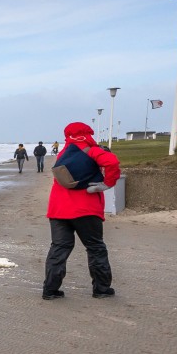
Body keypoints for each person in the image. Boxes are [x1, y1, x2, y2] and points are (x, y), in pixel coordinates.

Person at [43, 122, 120, 300]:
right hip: (85, 209)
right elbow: (112, 162)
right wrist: (108, 183)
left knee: (59, 248)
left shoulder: (63, 153)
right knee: (95, 247)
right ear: (87, 133)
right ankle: (101, 289)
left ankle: (50, 290)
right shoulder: (90, 150)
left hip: (58, 209)